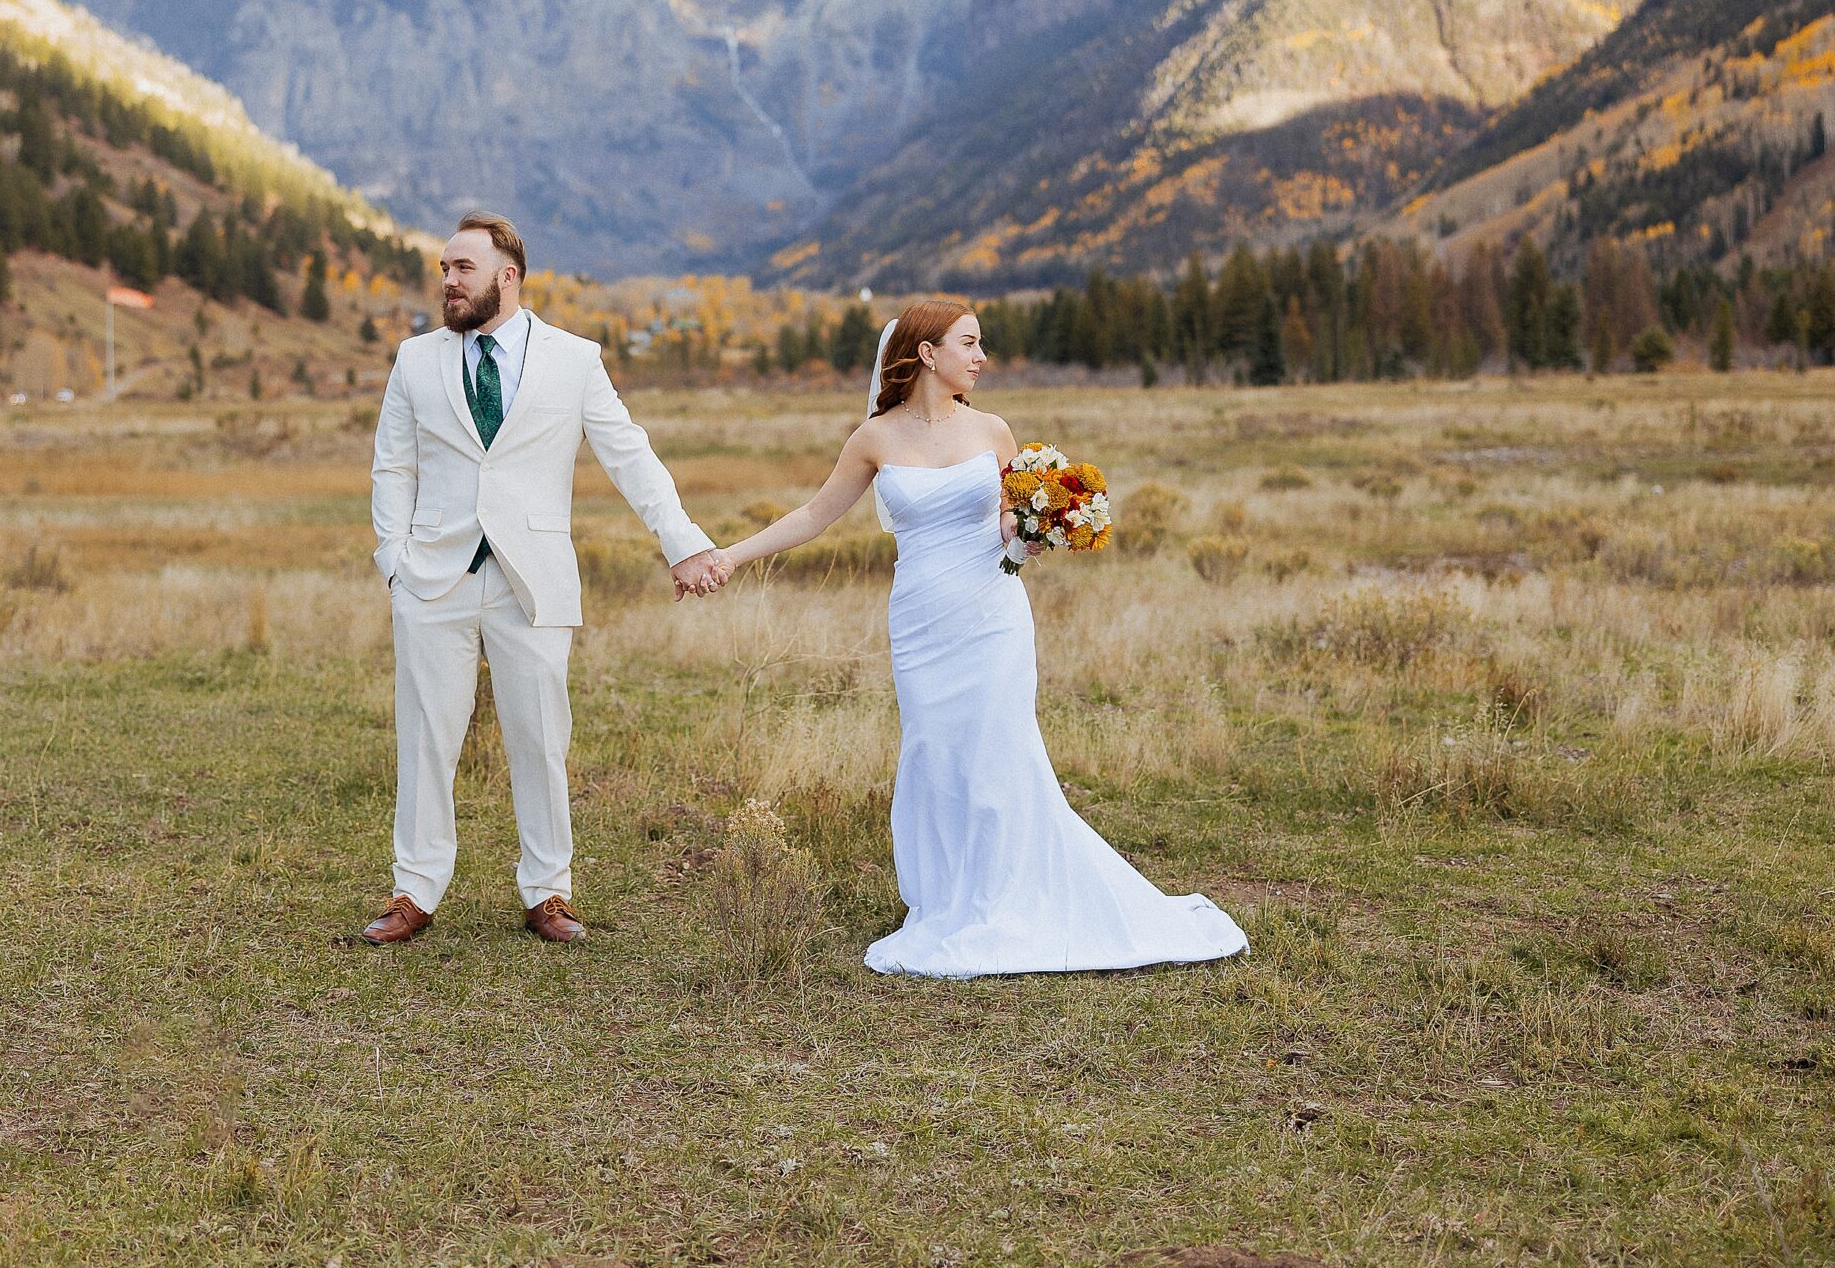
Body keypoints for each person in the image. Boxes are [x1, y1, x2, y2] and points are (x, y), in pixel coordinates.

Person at [717, 299, 1246, 978]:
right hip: (920, 621)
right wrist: (730, 556)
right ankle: (946, 898)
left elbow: (1006, 524)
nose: (982, 356)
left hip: (992, 615)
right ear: (927, 353)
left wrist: (1039, 529)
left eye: (982, 343)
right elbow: (815, 514)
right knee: (936, 753)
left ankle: (1008, 896)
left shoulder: (993, 430)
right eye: (968, 343)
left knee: (999, 751)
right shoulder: (875, 439)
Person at [362, 210, 731, 946]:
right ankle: (416, 889)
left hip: (534, 579)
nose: (448, 281)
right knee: (426, 737)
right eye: (442, 269)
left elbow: (628, 454)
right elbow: (393, 466)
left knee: (540, 738)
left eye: (462, 268)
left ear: (509, 274)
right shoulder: (415, 360)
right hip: (433, 577)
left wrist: (681, 543)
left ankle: (547, 891)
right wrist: (394, 562)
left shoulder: (574, 359)